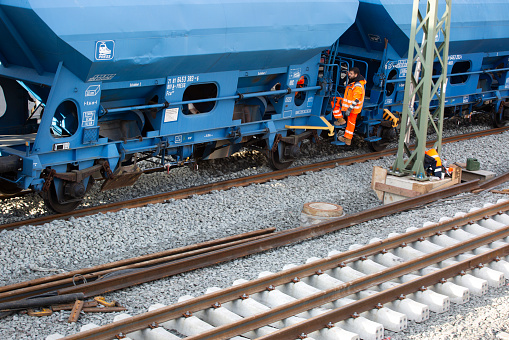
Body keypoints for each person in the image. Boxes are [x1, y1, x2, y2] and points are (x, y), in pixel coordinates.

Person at [334, 67, 366, 145]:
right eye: (349, 73)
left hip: (353, 108)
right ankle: (341, 120)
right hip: (349, 106)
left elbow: (356, 99)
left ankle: (348, 139)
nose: (349, 75)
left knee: (351, 123)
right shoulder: (355, 82)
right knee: (334, 101)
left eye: (351, 74)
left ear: (356, 74)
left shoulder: (357, 85)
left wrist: (349, 109)